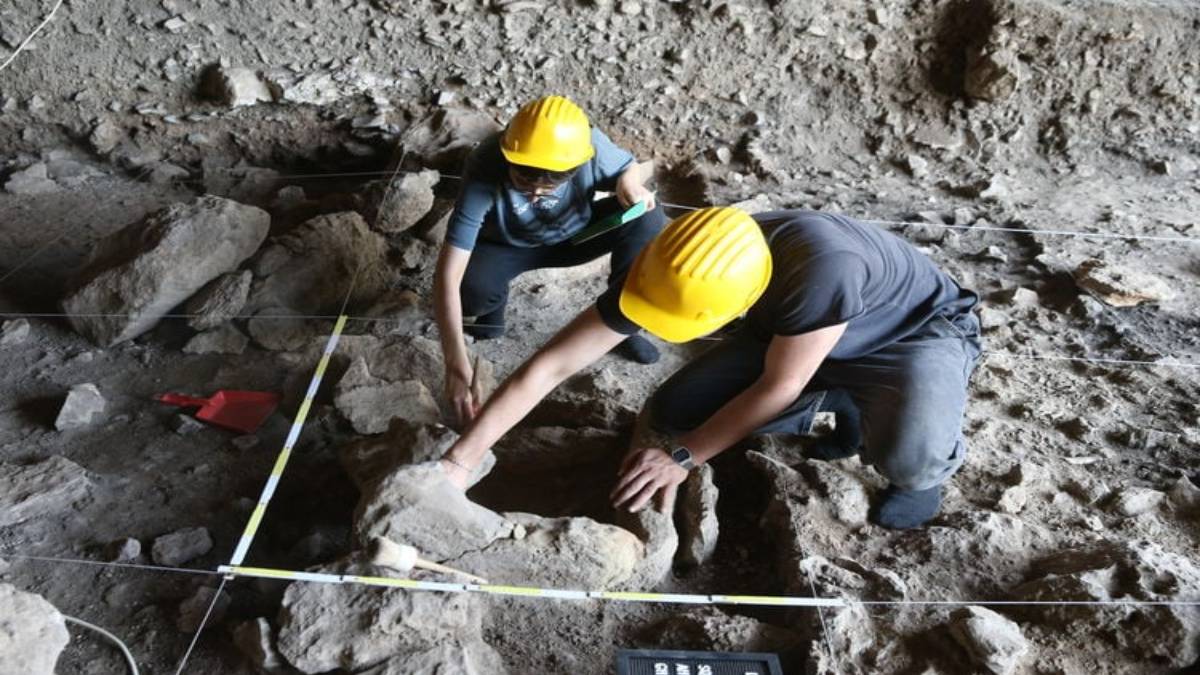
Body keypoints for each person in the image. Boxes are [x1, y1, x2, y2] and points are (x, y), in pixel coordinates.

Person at [439, 206, 982, 530]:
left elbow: (779, 383)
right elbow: (551, 364)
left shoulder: (822, 269)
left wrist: (684, 456)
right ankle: (838, 393)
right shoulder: (684, 254)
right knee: (679, 407)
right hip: (792, 333)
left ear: (737, 302)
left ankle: (919, 473)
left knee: (909, 456)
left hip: (911, 333)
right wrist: (461, 462)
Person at [434, 95, 666, 427]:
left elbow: (642, 166)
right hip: (507, 245)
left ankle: (620, 321)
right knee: (471, 289)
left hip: (577, 236)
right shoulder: (486, 163)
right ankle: (490, 314)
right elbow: (447, 273)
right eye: (526, 179)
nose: (538, 191)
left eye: (553, 180)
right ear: (508, 155)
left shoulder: (587, 144)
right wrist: (454, 363)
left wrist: (628, 180)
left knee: (649, 216)